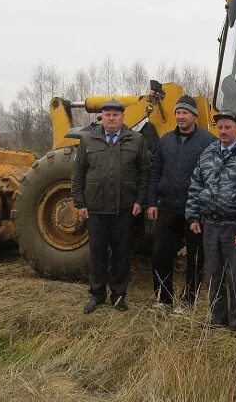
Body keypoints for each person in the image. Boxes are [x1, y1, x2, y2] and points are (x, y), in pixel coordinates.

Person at [72, 99, 150, 314]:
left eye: (116, 115)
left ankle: (118, 295)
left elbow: (144, 172)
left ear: (123, 118)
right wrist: (80, 202)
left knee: (121, 253)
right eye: (107, 115)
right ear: (102, 118)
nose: (112, 118)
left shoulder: (136, 140)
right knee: (97, 254)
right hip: (95, 209)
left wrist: (139, 200)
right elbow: (78, 174)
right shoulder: (88, 140)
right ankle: (97, 295)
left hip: (124, 209)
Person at [185, 109, 236, 332]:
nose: (224, 131)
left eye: (228, 127)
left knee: (234, 275)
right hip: (210, 224)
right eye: (220, 127)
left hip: (234, 226)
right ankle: (217, 319)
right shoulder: (207, 154)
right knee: (213, 273)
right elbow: (196, 185)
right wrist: (193, 215)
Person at [146, 95, 216, 311]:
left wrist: (204, 206)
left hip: (194, 210)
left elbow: (212, 177)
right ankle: (163, 299)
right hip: (167, 206)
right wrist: (151, 202)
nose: (180, 116)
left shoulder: (208, 141)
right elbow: (155, 172)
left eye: (184, 112)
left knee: (194, 259)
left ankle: (188, 301)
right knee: (160, 254)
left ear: (194, 115)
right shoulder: (165, 140)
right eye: (177, 112)